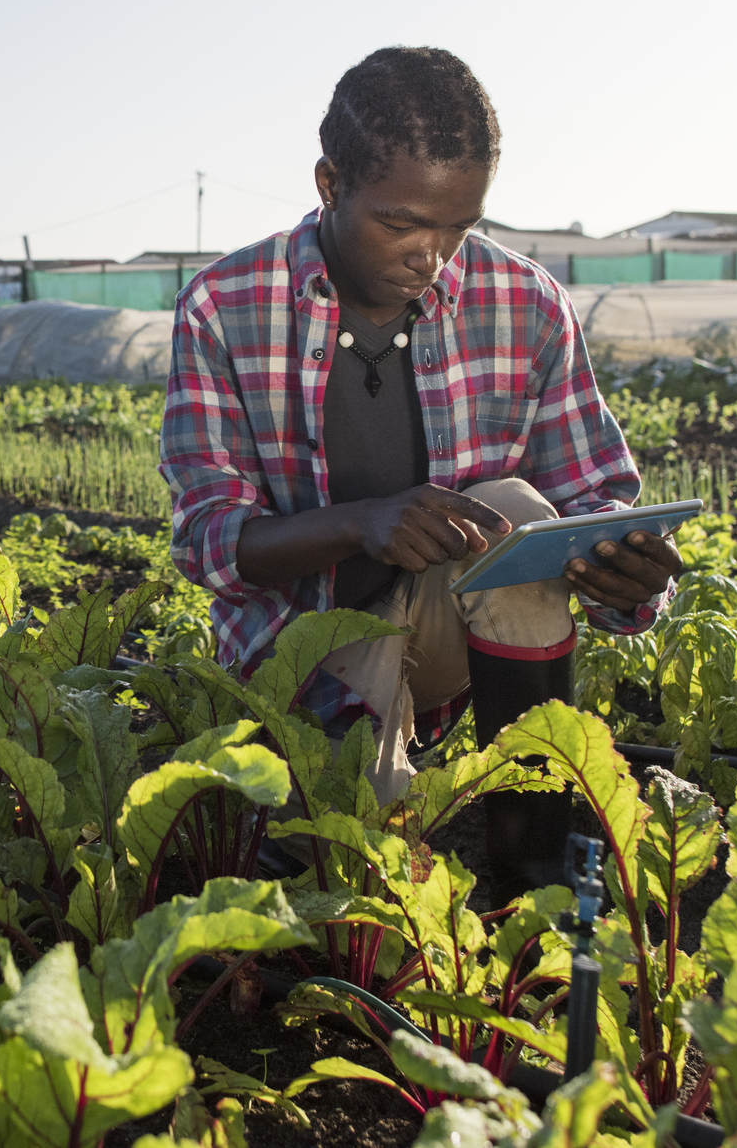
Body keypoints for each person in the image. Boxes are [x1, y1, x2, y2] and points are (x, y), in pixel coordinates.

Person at [159, 46, 681, 898]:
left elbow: (593, 496)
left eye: (457, 227)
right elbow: (209, 543)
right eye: (400, 223)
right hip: (293, 665)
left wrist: (623, 574)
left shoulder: (525, 303)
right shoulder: (226, 305)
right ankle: (338, 804)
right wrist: (359, 521)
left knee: (515, 509)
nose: (429, 255)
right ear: (329, 184)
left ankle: (531, 884)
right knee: (345, 880)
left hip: (435, 646)